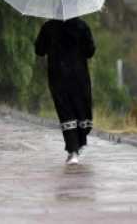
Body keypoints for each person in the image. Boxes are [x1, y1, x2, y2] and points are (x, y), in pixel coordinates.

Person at [35, 17, 95, 165]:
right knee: (80, 109)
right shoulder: (82, 25)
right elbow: (90, 51)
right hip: (79, 76)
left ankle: (73, 150)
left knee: (65, 111)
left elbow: (39, 50)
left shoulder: (48, 27)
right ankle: (78, 144)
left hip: (58, 76)